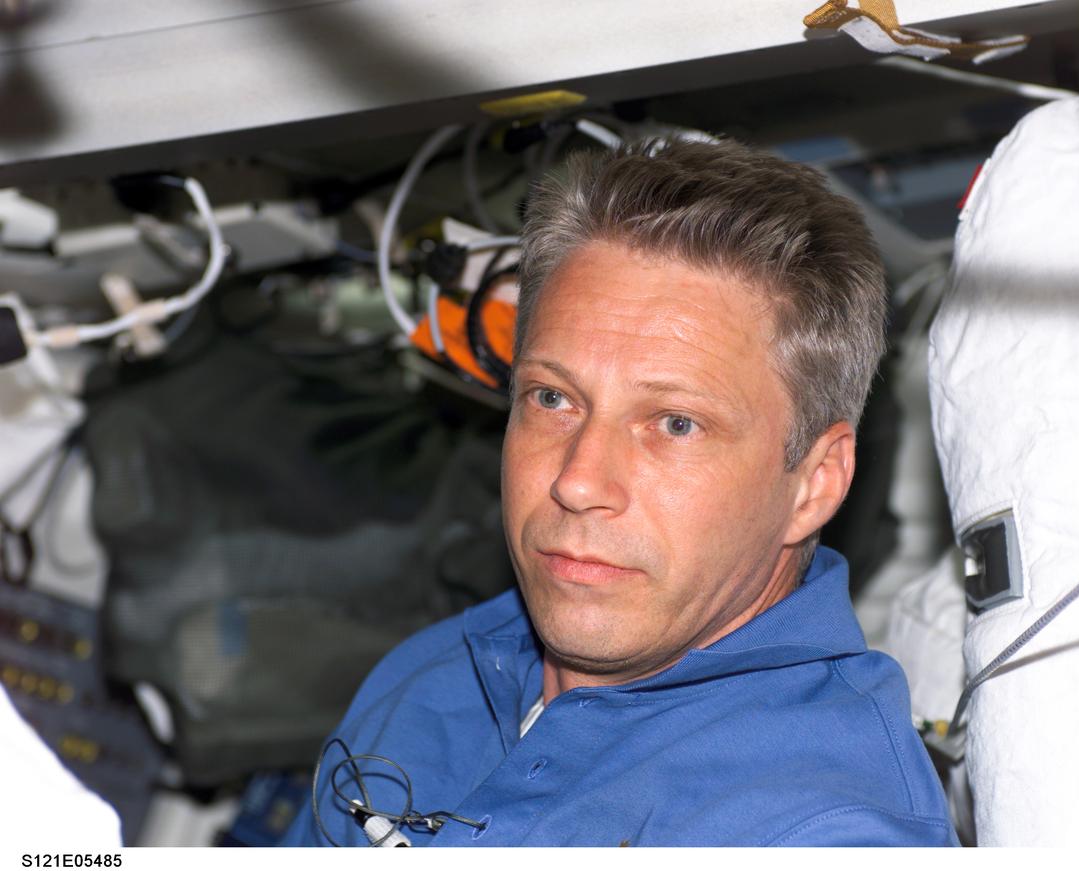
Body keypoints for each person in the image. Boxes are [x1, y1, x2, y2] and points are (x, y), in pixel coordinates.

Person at [282, 136, 956, 847]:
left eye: (675, 422)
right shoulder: (438, 668)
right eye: (552, 397)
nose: (577, 480)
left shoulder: (826, 831)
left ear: (814, 484)